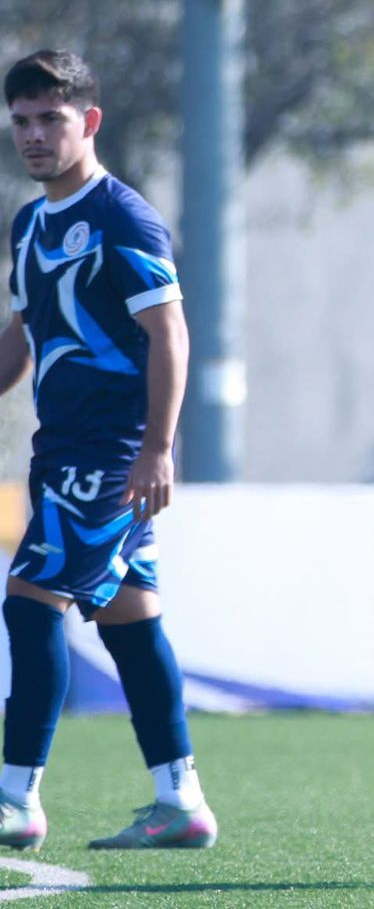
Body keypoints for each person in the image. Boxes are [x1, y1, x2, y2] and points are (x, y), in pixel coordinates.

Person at [0, 50, 217, 851]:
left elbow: (170, 334)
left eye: (50, 119)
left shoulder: (123, 217)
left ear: (88, 121)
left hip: (109, 451)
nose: (33, 135)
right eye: (21, 120)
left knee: (29, 603)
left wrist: (158, 448)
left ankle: (15, 798)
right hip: (61, 451)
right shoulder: (30, 224)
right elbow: (23, 339)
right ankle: (180, 801)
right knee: (130, 622)